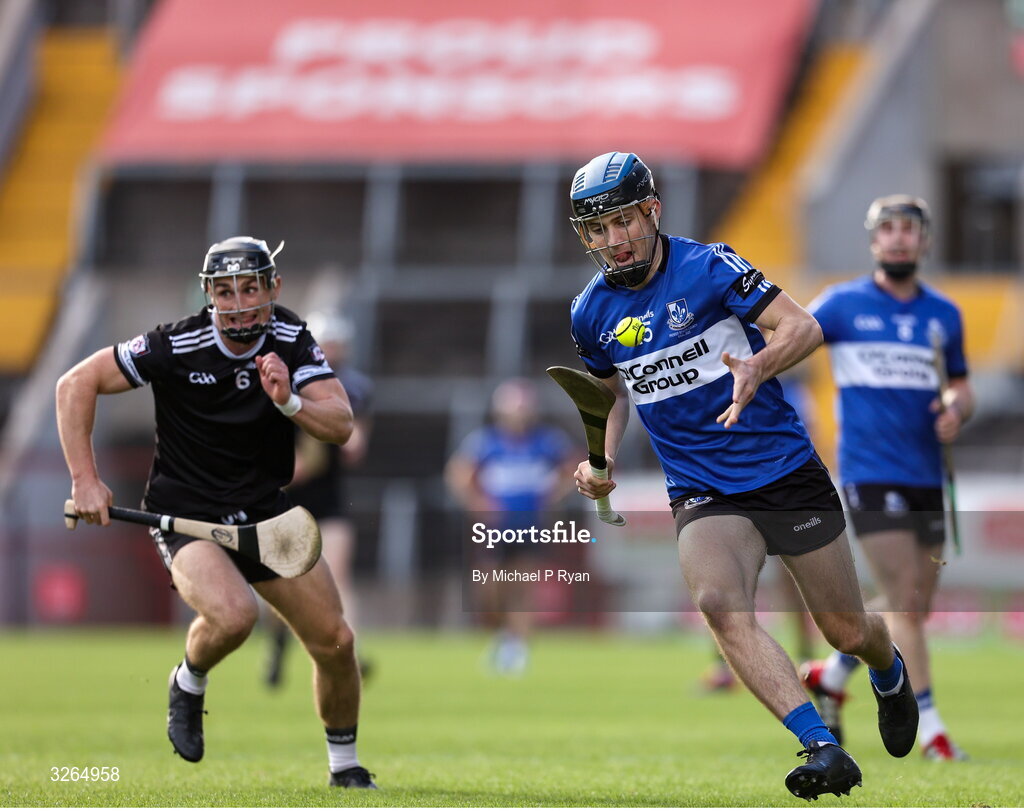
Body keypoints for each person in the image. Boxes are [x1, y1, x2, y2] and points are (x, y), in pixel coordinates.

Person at [566, 152, 918, 800]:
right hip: (702, 488)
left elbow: (802, 325)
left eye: (623, 221)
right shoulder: (590, 312)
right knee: (718, 604)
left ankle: (887, 667)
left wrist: (759, 366)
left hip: (783, 470)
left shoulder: (709, 266)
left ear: (652, 210)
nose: (613, 241)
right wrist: (604, 456)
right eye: (597, 230)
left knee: (845, 629)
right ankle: (821, 744)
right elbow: (610, 394)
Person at [55, 237, 376, 788]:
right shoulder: (176, 344)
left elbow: (341, 424)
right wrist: (86, 479)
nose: (238, 302)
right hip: (186, 516)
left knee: (337, 642)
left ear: (273, 287)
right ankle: (189, 679)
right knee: (233, 617)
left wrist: (290, 402)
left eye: (250, 287)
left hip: (264, 514)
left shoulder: (291, 338)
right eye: (225, 291)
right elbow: (74, 383)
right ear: (208, 294)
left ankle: (344, 770)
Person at [800, 195, 974, 761]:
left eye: (910, 230)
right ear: (874, 241)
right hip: (869, 472)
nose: (899, 238)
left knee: (912, 605)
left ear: (925, 241)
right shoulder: (844, 305)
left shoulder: (944, 315)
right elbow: (789, 337)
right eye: (889, 230)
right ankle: (933, 730)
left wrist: (955, 408)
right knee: (903, 600)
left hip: (926, 471)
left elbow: (962, 387)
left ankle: (831, 673)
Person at [265, 311, 374, 688]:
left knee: (338, 576)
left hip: (330, 499)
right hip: (288, 499)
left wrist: (345, 435)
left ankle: (350, 655)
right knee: (284, 582)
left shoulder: (351, 387)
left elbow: (355, 441)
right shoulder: (288, 380)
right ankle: (279, 649)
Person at [445, 378, 576, 674]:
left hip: (531, 524)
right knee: (489, 588)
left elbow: (572, 470)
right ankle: (503, 635)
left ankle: (518, 647)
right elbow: (457, 473)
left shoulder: (547, 441)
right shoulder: (485, 442)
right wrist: (477, 503)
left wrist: (553, 496)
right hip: (496, 527)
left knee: (524, 587)